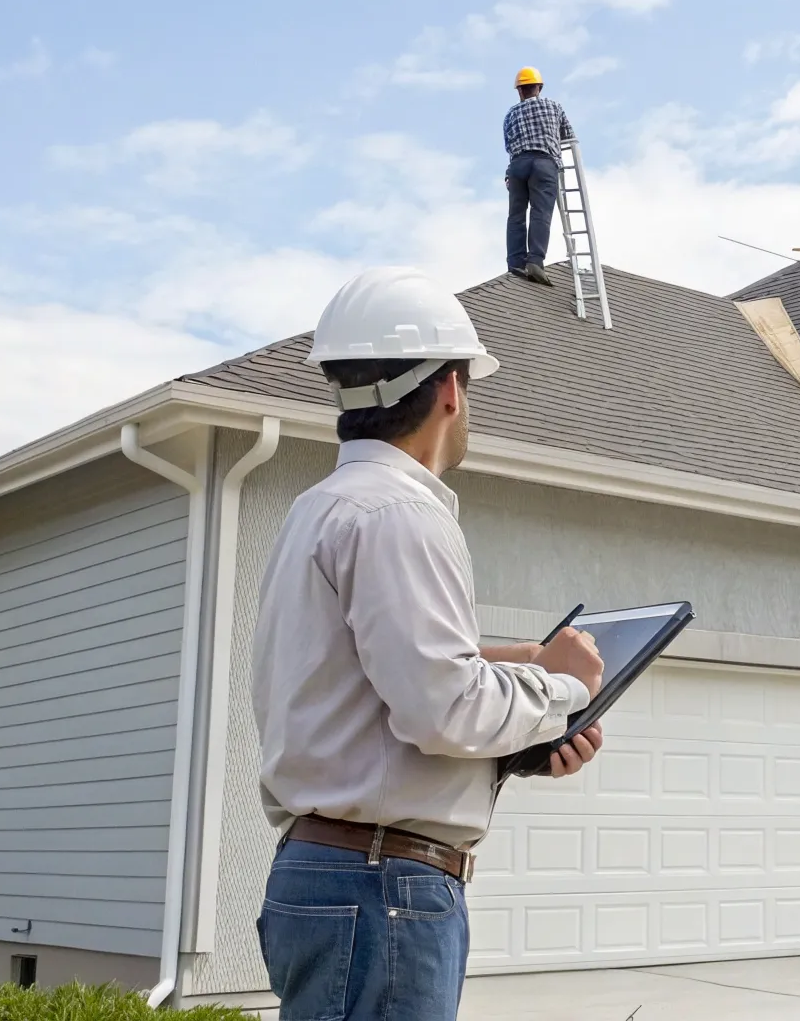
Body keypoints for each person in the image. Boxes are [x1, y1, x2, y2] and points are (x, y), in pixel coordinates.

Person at [250, 266, 604, 1021]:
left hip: (330, 875)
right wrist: (565, 687)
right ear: (450, 387)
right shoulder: (398, 514)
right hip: (382, 889)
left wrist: (516, 694)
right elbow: (441, 710)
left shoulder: (319, 510)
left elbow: (377, 688)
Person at [503, 66, 577, 286]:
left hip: (517, 166)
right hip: (544, 164)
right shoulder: (553, 107)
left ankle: (516, 262)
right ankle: (535, 262)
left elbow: (509, 146)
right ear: (539, 87)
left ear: (519, 91)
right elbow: (569, 137)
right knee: (540, 213)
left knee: (516, 215)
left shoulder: (510, 114)